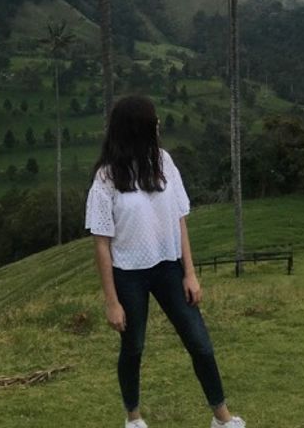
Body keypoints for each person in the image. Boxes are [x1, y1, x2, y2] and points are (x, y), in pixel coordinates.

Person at [86, 95, 246, 428]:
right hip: (128, 274)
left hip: (169, 268)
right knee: (134, 348)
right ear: (137, 128)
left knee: (199, 343)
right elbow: (101, 243)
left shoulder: (164, 162)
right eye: (152, 121)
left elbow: (180, 219)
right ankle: (133, 418)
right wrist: (111, 302)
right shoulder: (105, 179)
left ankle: (222, 418)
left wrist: (190, 273)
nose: (158, 125)